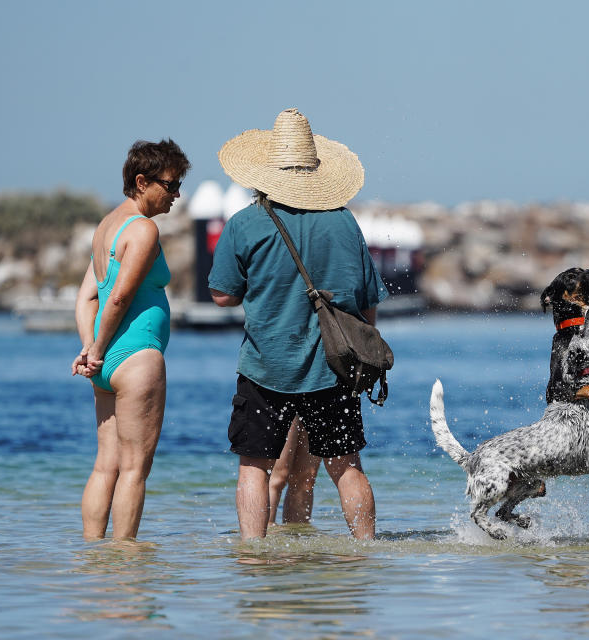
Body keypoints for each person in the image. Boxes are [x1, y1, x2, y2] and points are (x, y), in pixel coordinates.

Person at [209, 108, 388, 540]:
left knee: (254, 466)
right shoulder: (346, 222)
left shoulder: (245, 224)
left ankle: (253, 554)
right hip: (334, 368)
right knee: (346, 467)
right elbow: (368, 305)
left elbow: (222, 295)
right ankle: (366, 551)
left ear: (266, 172)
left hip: (265, 367)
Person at [72, 139, 190, 540]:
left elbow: (87, 296)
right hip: (135, 358)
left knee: (106, 464)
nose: (176, 195)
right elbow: (118, 297)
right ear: (142, 182)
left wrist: (90, 350)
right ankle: (124, 564)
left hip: (106, 364)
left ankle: (94, 556)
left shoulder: (107, 226)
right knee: (135, 468)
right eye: (170, 185)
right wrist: (99, 349)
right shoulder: (142, 230)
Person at [267, 417, 321, 526]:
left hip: (318, 401)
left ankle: (296, 534)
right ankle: (264, 532)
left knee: (307, 478)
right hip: (283, 400)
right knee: (277, 477)